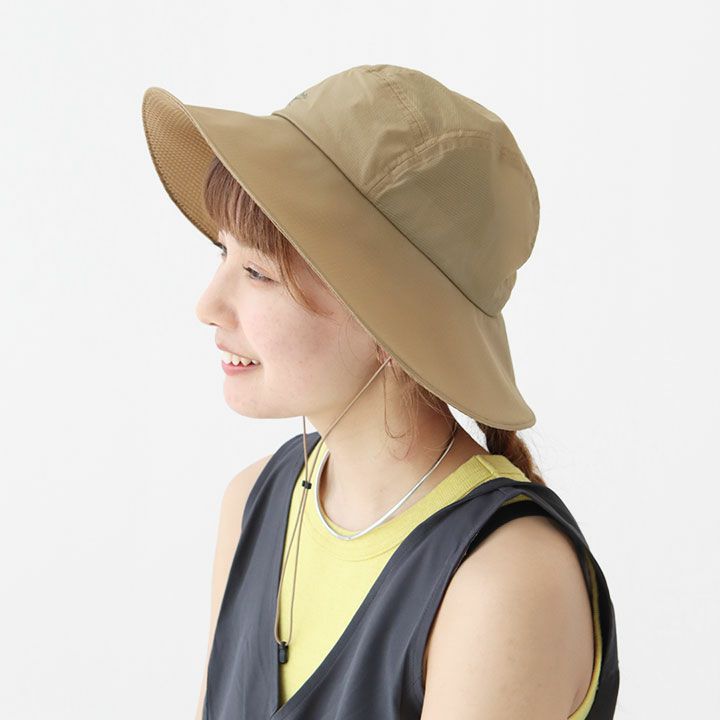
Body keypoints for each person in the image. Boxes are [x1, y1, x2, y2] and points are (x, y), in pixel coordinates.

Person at [141, 64, 619, 719]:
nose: (207, 305)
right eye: (221, 254)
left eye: (257, 272)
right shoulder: (254, 505)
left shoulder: (504, 575)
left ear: (387, 315)